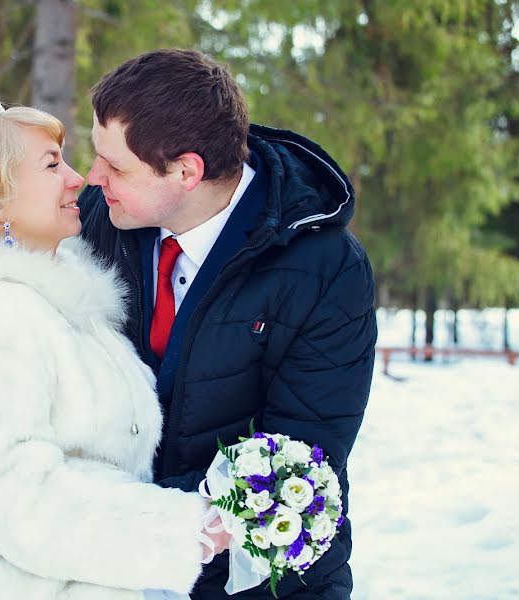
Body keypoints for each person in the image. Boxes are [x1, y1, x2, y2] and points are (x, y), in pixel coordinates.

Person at [0, 91, 229, 600]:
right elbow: (15, 500)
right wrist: (182, 527)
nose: (77, 178)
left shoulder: (57, 307)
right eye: (51, 164)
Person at [78, 49, 378, 599]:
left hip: (264, 581)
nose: (94, 178)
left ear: (187, 170)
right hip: (119, 572)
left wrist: (131, 519)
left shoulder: (326, 269)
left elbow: (299, 455)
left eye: (116, 165)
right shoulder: (104, 219)